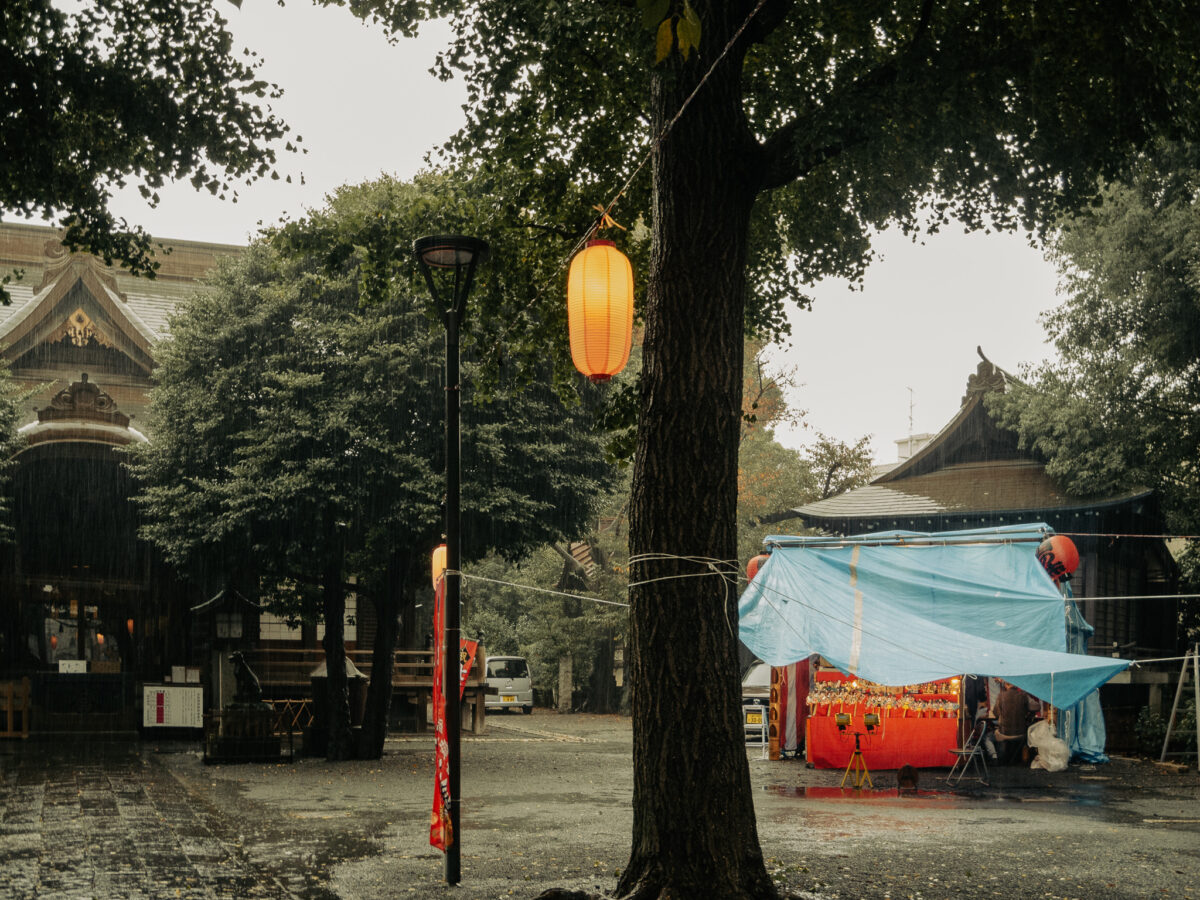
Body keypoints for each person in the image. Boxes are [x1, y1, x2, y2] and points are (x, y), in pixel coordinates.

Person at [993, 681, 1037, 765]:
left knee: (988, 737)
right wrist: (1027, 713)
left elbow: (996, 713)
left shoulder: (1000, 696)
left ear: (1006, 685)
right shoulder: (1023, 695)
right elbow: (1036, 707)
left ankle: (995, 758)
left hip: (1004, 732)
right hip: (1021, 732)